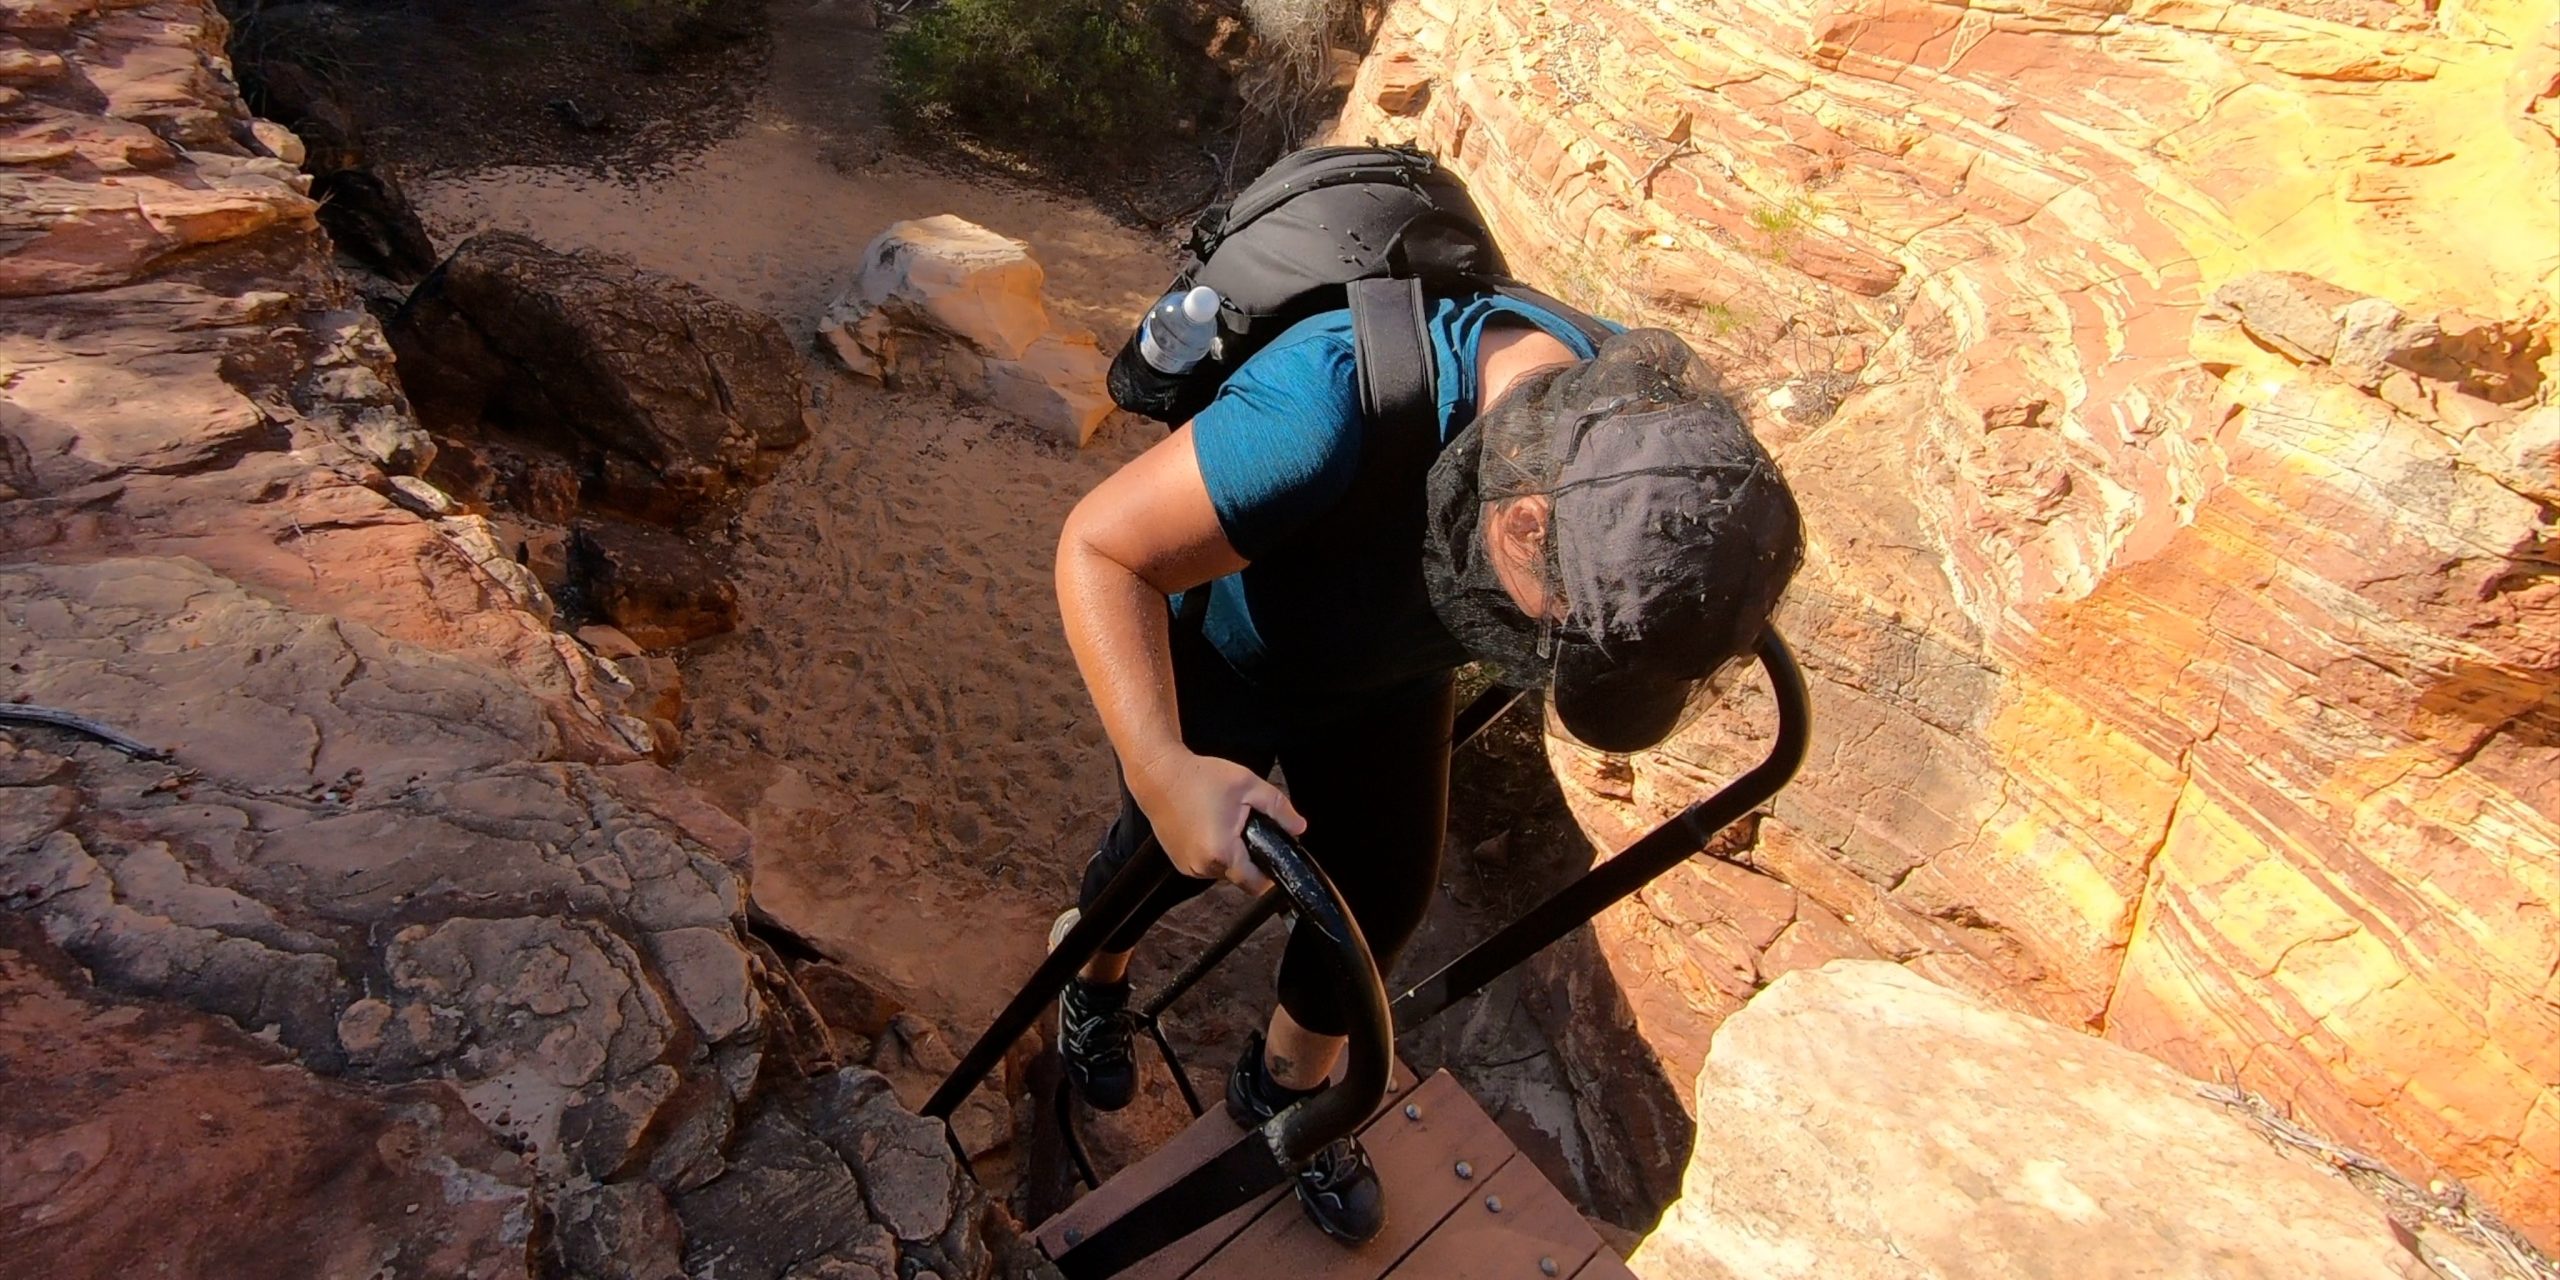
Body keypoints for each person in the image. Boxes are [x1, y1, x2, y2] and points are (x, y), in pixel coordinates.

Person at [1048, 288, 1803, 1243]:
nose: (1550, 653)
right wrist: (1164, 772)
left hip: (1390, 678)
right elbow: (1101, 547)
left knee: (1382, 897)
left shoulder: (1646, 436)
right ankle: (1093, 978)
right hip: (1231, 658)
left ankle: (1287, 1094)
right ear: (1525, 526)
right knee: (1154, 864)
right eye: (1559, 630)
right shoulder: (1327, 409)